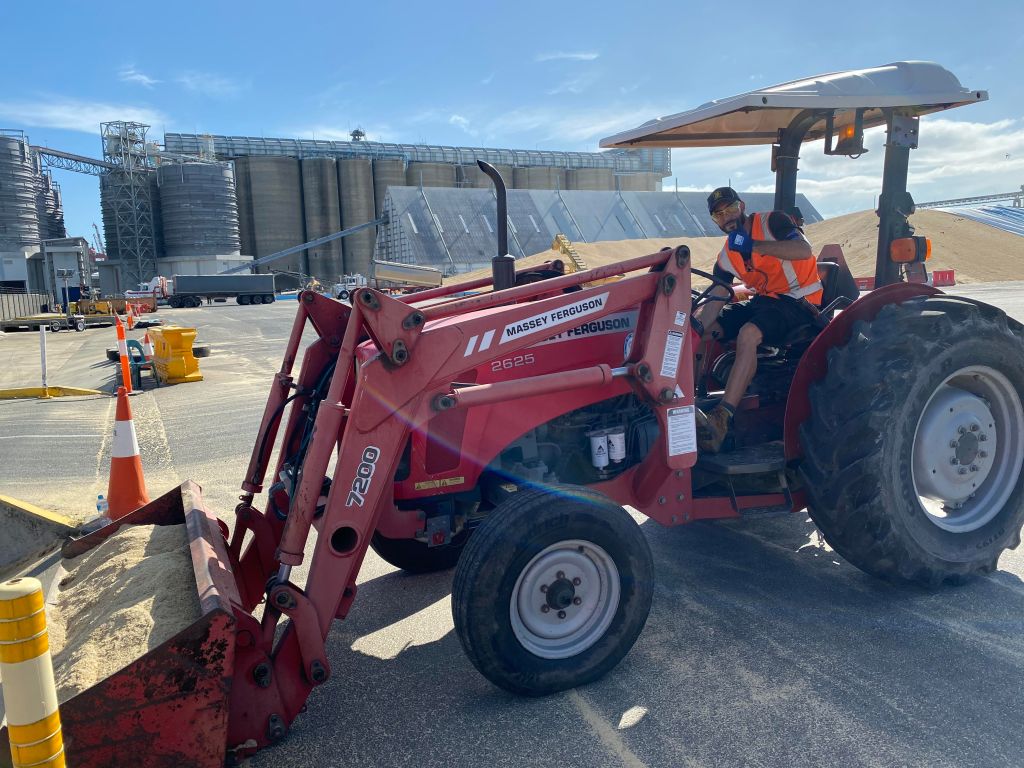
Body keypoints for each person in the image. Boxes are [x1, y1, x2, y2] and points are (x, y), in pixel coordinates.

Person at [694, 187, 821, 453]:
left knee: (748, 333)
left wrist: (754, 245)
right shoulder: (727, 255)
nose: (727, 217)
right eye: (719, 214)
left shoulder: (773, 222)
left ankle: (721, 418)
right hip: (764, 303)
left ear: (742, 206)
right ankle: (689, 402)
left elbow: (804, 250)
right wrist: (696, 328)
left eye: (730, 209)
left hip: (800, 302)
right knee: (703, 330)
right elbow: (717, 297)